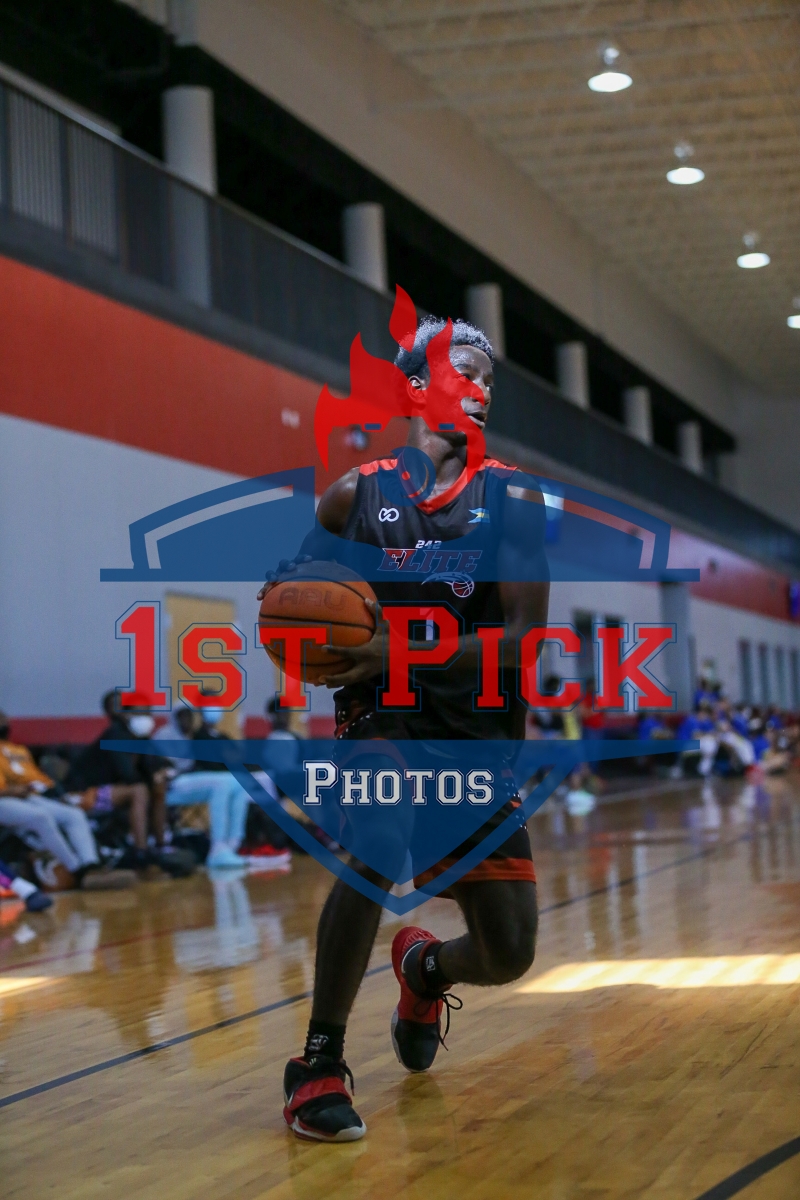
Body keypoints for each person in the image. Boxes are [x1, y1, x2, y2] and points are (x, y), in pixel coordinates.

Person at [261, 314, 549, 1141]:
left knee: (508, 951)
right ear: (416, 386)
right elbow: (301, 600)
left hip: (474, 735)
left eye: (488, 373)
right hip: (378, 717)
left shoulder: (514, 498)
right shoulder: (353, 495)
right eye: (463, 367)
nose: (481, 383)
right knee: (376, 840)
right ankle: (317, 1064)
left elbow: (523, 640)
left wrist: (399, 648)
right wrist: (299, 626)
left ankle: (424, 968)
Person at [0, 710, 130, 889]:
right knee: (40, 817)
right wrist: (12, 791)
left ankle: (91, 866)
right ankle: (77, 871)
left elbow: (36, 781)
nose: (4, 721)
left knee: (73, 814)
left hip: (26, 796)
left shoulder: (17, 749)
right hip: (5, 799)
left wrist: (54, 794)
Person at [64, 691, 168, 870]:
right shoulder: (115, 734)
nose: (145, 718)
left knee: (158, 787)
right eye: (139, 713)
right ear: (126, 714)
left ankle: (161, 845)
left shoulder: (141, 738)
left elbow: (156, 764)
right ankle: (141, 851)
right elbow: (127, 774)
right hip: (85, 793)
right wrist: (150, 777)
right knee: (139, 790)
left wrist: (159, 774)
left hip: (112, 790)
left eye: (148, 713)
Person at [158, 705, 251, 868]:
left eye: (189, 716)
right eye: (182, 716)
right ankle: (218, 847)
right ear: (174, 718)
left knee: (237, 782)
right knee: (221, 783)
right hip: (170, 786)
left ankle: (232, 844)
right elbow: (158, 766)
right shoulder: (164, 735)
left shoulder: (191, 737)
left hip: (188, 781)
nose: (187, 720)